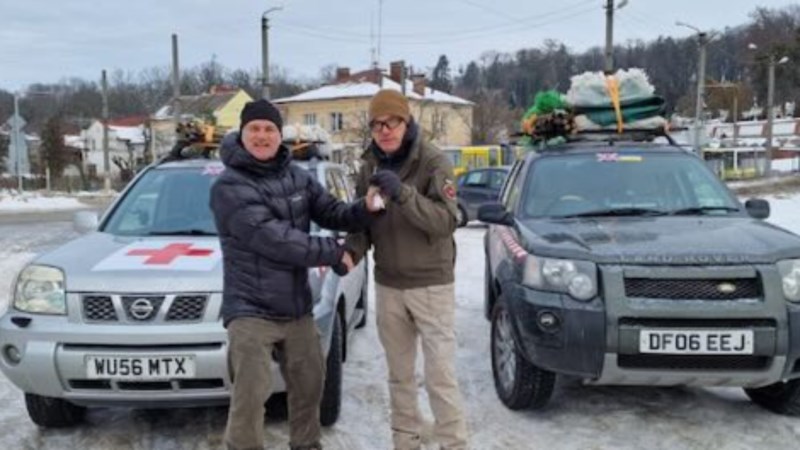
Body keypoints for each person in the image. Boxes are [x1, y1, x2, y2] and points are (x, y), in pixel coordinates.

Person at [210, 99, 379, 450]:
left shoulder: (296, 176)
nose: (262, 136)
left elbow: (331, 211)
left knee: (310, 385)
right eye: (254, 129)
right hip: (251, 309)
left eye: (269, 129)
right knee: (251, 394)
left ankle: (306, 444)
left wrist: (365, 208)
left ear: (279, 135)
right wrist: (335, 252)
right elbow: (276, 240)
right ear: (241, 134)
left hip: (296, 307)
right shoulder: (229, 187)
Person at [346, 89, 469, 450]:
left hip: (431, 286)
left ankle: (453, 444)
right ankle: (405, 441)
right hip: (389, 286)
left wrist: (403, 193)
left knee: (440, 376)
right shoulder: (369, 166)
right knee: (399, 376)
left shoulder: (433, 161)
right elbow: (363, 222)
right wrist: (351, 251)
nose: (385, 131)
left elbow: (445, 222)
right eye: (377, 125)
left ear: (407, 122)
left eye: (392, 122)